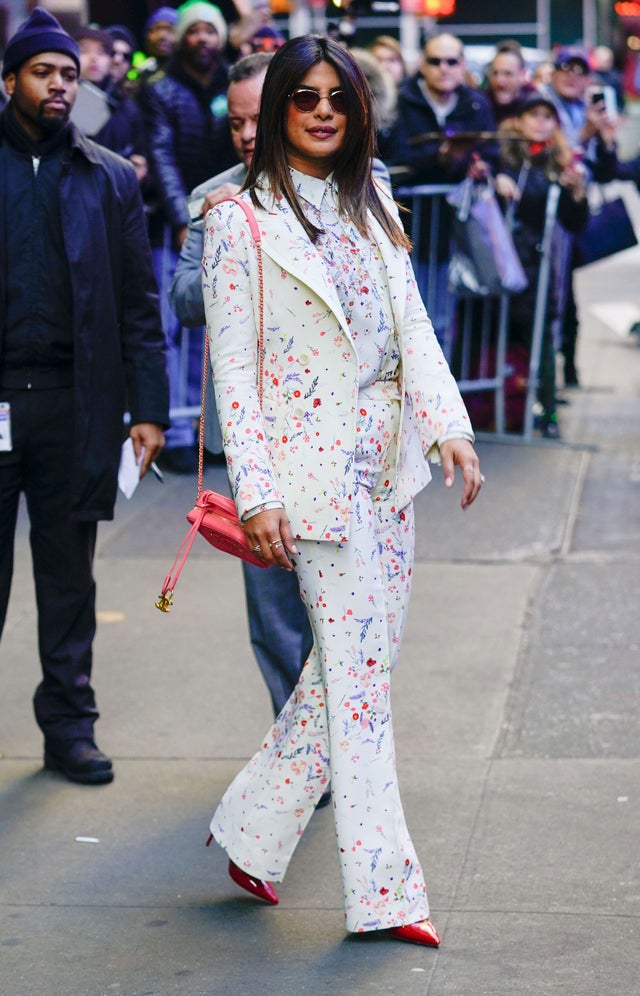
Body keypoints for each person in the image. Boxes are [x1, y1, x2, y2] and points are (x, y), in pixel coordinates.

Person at [202, 35, 482, 946]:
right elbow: (233, 376)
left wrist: (451, 428)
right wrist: (257, 493)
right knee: (359, 683)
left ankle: (251, 828)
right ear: (278, 108)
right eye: (303, 98)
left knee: (354, 666)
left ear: (357, 110)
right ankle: (387, 893)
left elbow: (414, 326)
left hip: (390, 463)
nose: (323, 111)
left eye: (338, 98)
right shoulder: (234, 220)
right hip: (309, 479)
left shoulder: (374, 199)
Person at [0, 8, 169, 784]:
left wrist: (149, 407)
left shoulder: (108, 176)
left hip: (74, 402)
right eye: (44, 72)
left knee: (69, 579)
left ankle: (70, 731)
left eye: (69, 73)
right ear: (10, 81)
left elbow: (139, 301)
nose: (61, 85)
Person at [169, 52, 315, 721]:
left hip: (329, 427)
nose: (247, 135)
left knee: (343, 606)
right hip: (252, 436)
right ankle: (297, 752)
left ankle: (348, 746)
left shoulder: (343, 185)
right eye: (236, 123)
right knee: (275, 607)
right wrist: (231, 237)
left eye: (259, 117)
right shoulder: (213, 196)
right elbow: (185, 299)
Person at [140, 0, 236, 475]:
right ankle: (176, 433)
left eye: (209, 31)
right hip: (176, 220)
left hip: (228, 214)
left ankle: (207, 432)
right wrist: (185, 216)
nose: (202, 39)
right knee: (171, 328)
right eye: (193, 31)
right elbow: (160, 154)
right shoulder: (160, 88)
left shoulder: (230, 82)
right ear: (181, 38)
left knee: (213, 324)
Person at [389, 32, 498, 347]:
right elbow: (391, 157)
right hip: (409, 229)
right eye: (436, 61)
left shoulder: (475, 103)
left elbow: (492, 152)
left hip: (459, 230)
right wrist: (441, 158)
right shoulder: (400, 99)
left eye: (452, 61)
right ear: (423, 64)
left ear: (462, 65)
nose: (444, 68)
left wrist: (480, 167)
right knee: (409, 323)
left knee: (446, 324)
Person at [494, 94, 588, 437]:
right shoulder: (502, 153)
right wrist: (494, 179)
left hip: (538, 265)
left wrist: (576, 194)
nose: (540, 122)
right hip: (501, 262)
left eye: (548, 117)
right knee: (495, 333)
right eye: (533, 114)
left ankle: (547, 411)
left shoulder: (559, 162)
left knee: (541, 338)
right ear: (519, 119)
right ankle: (495, 406)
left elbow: (576, 223)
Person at [75, 25, 147, 183]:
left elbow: (139, 154)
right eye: (84, 51)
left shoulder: (127, 107)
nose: (93, 58)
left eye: (101, 52)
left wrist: (138, 170)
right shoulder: (61, 102)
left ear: (109, 60)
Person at [484, 44, 536, 124]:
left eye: (508, 74)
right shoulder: (480, 104)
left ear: (522, 75)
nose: (499, 80)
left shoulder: (535, 104)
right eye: (495, 73)